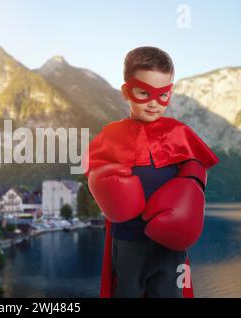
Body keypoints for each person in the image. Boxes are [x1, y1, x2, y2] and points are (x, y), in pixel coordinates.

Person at [82, 46, 219, 298]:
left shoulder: (179, 132)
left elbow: (199, 168)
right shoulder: (112, 134)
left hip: (171, 244)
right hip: (128, 240)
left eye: (163, 95)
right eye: (144, 93)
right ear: (126, 92)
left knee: (170, 294)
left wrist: (191, 185)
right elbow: (91, 170)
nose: (154, 103)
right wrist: (103, 185)